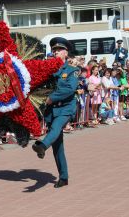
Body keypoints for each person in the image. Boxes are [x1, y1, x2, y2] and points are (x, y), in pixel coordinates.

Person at [32, 37, 79, 188]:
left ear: (66, 53)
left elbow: (70, 89)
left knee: (56, 128)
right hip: (51, 110)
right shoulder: (48, 70)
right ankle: (63, 177)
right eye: (54, 50)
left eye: (59, 50)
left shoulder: (72, 71)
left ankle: (42, 145)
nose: (56, 52)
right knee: (58, 146)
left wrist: (51, 98)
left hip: (66, 108)